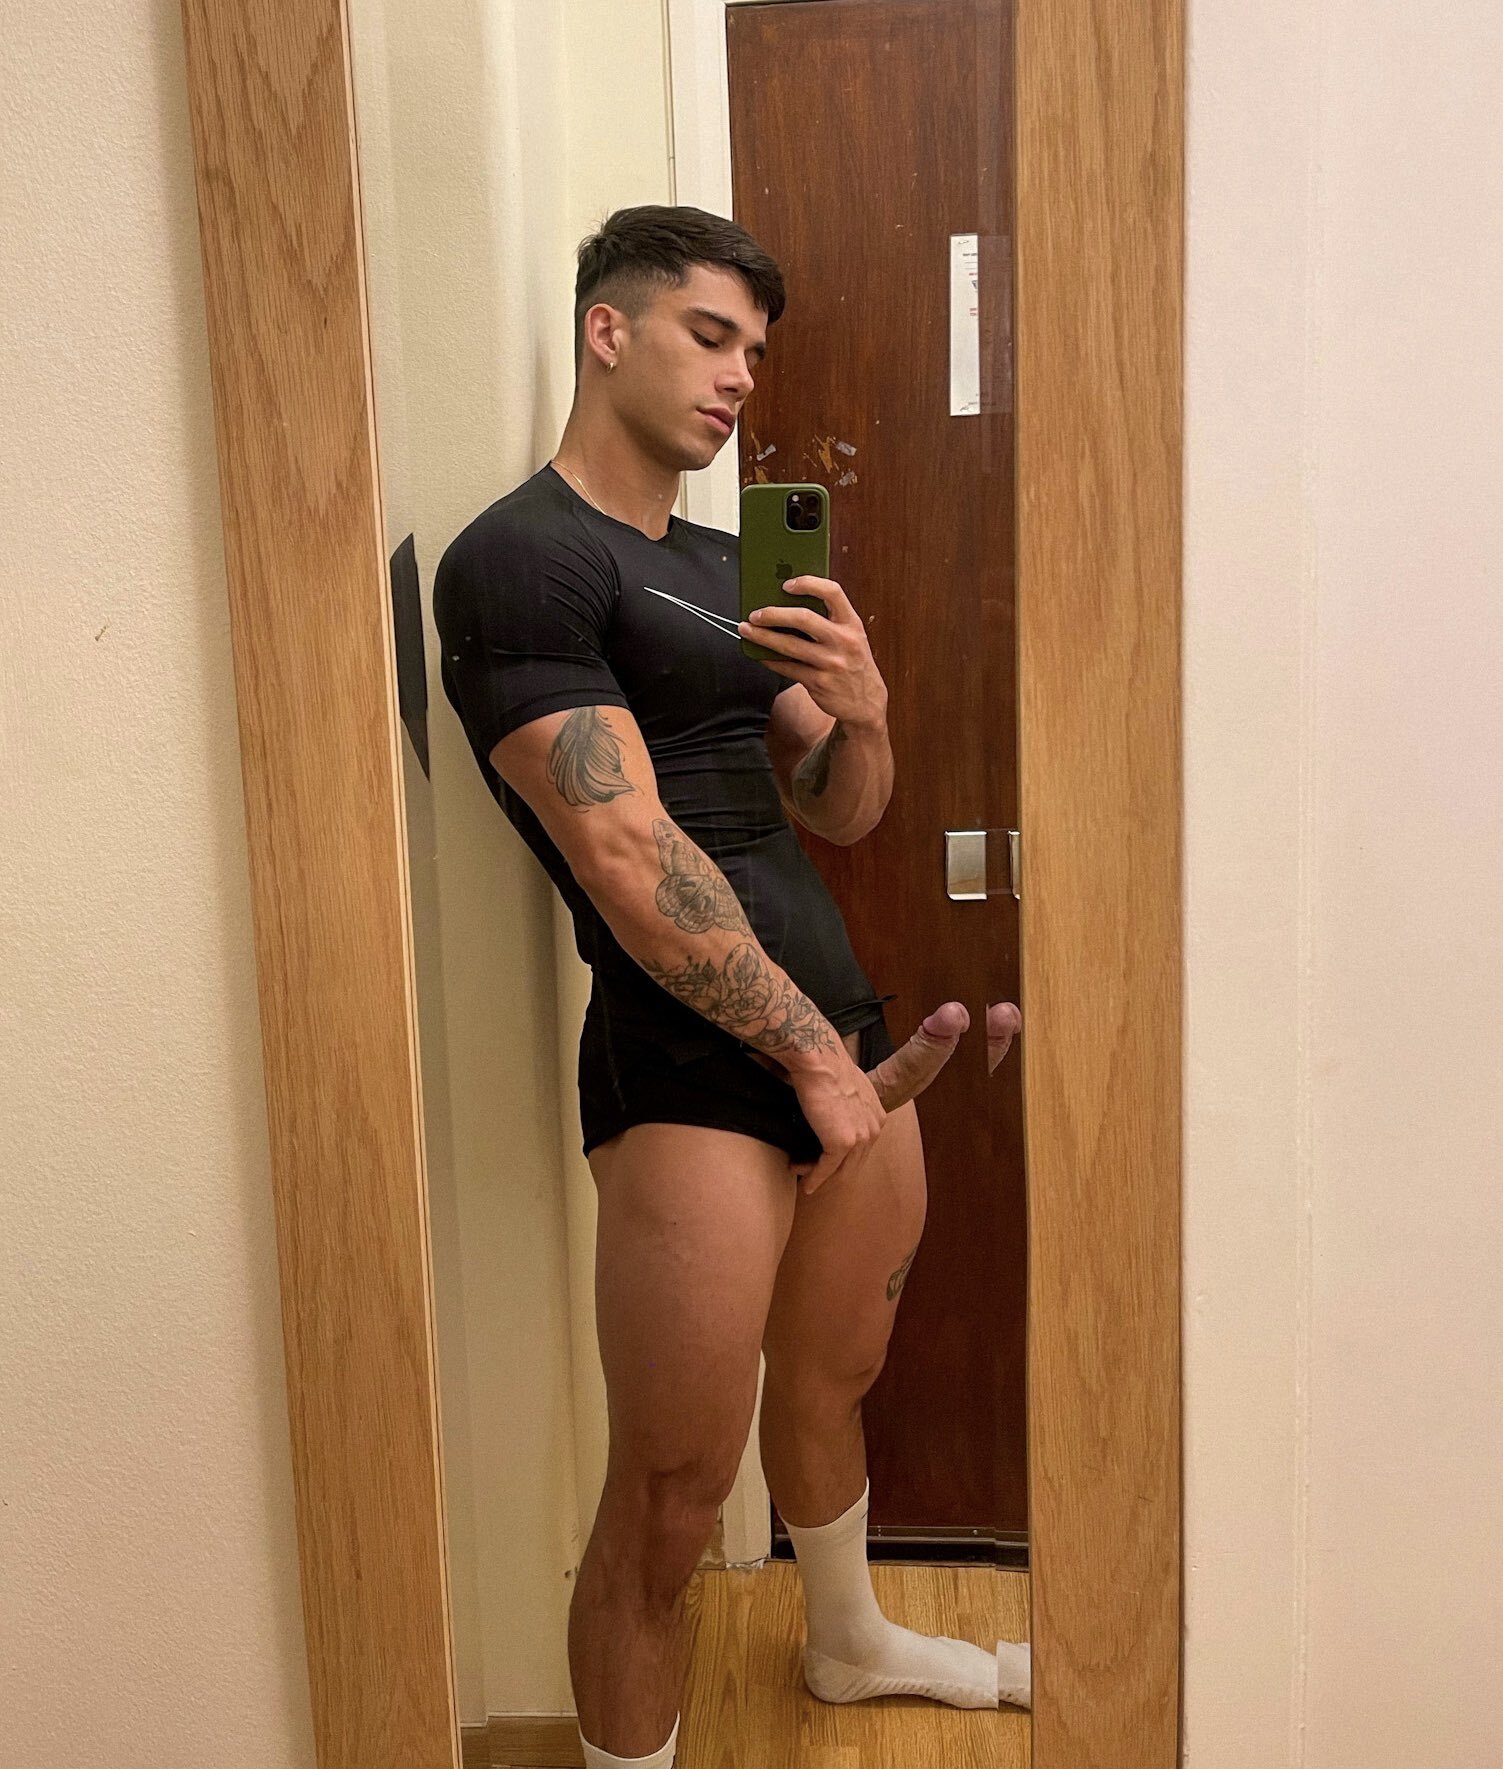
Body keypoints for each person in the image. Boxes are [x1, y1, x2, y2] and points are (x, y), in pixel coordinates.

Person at [433, 204, 1028, 1769]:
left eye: (755, 350)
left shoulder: (731, 559)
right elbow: (623, 854)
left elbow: (838, 808)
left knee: (834, 1380)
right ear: (607, 329)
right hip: (692, 1061)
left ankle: (848, 1642)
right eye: (710, 335)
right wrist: (811, 1065)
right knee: (675, 1489)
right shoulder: (521, 559)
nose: (741, 376)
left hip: (845, 1026)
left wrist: (867, 710)